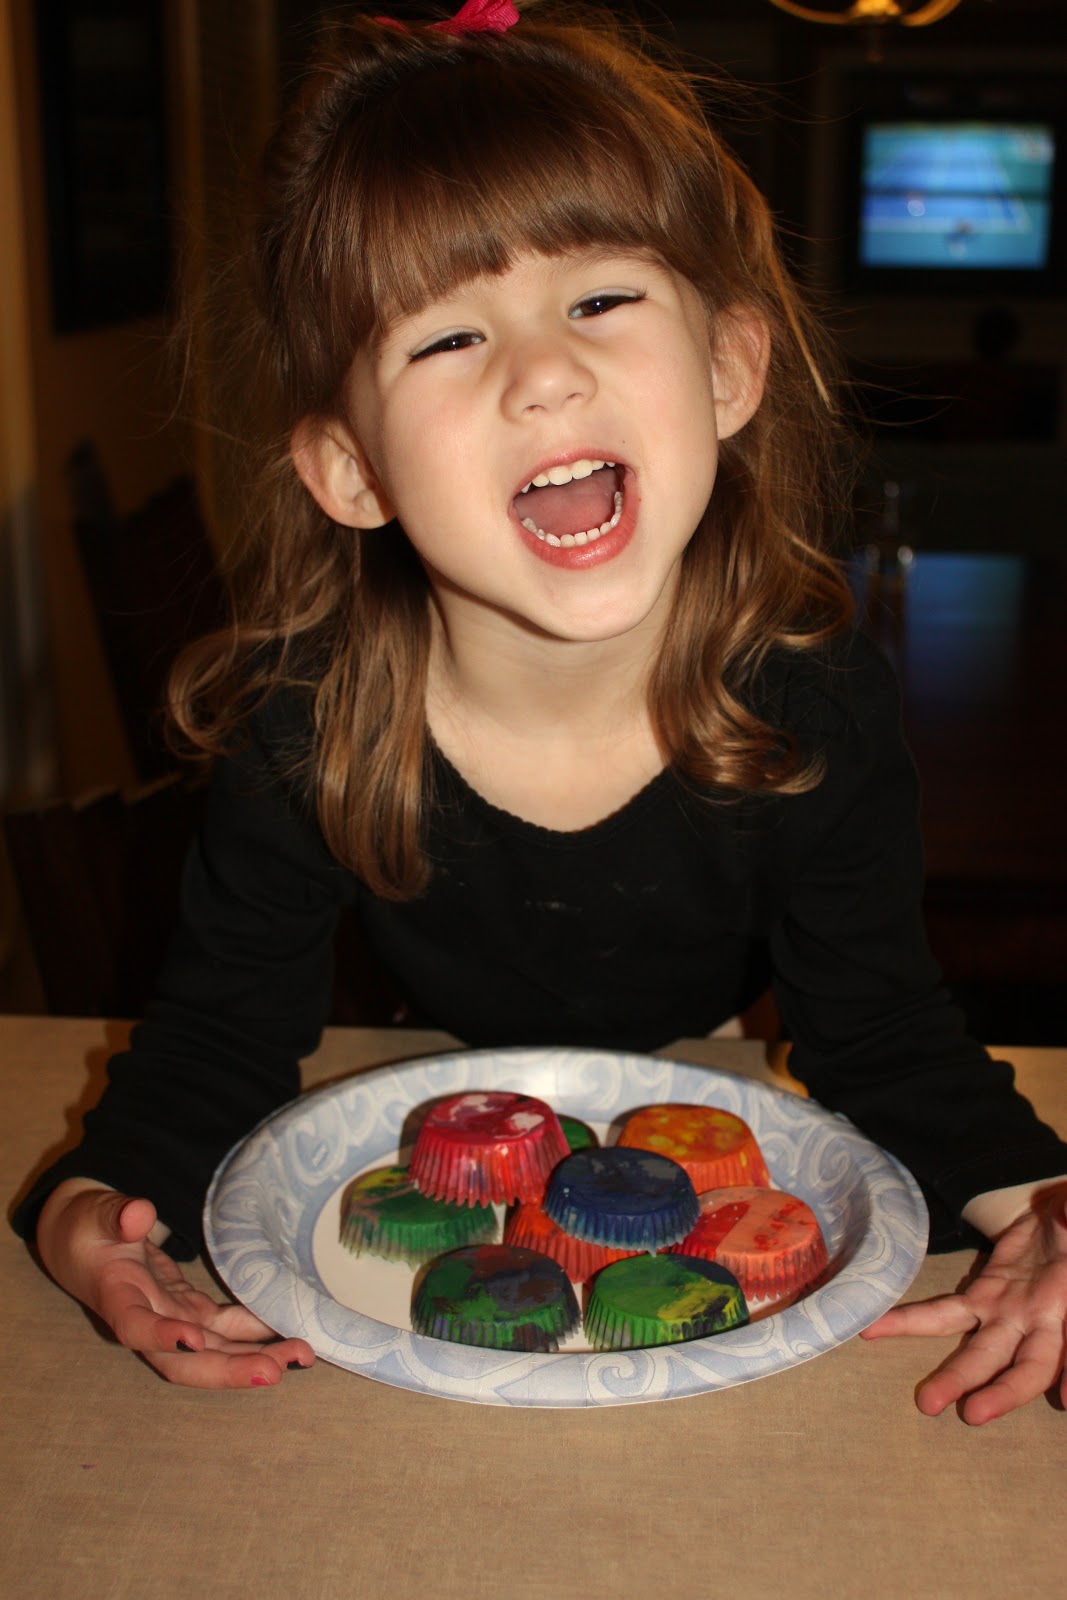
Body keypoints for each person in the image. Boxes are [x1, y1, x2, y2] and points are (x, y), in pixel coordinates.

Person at [16, 0, 1067, 1414]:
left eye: (601, 299)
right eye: (447, 337)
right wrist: (90, 1207)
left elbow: (881, 1035)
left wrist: (1043, 1209)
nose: (546, 371)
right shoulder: (308, 724)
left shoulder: (814, 701)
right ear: (350, 472)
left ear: (727, 368)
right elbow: (218, 1038)